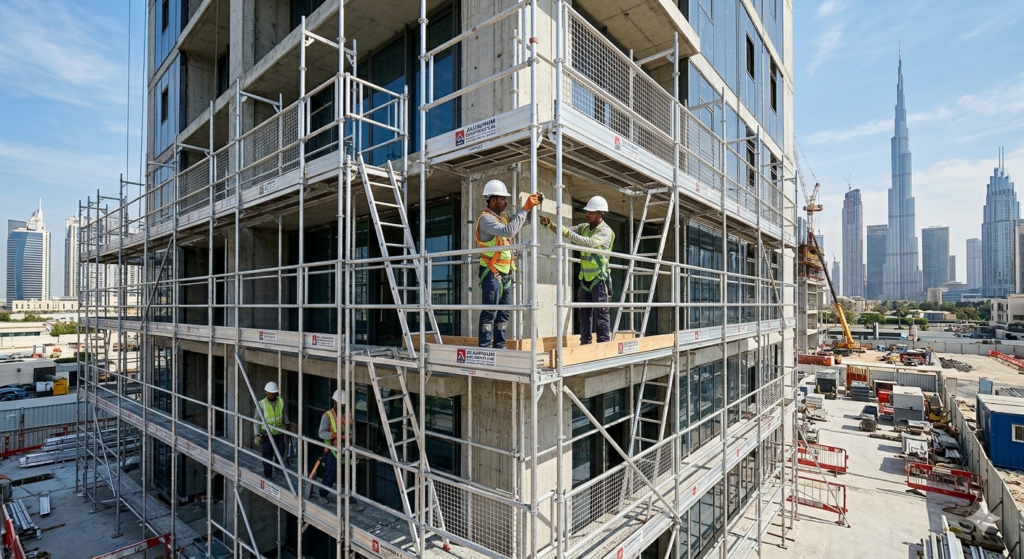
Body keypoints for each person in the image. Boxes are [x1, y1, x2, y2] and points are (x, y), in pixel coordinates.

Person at [475, 180, 544, 348]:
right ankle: (485, 347)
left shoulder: (503, 217)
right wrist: (525, 207)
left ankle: (499, 345)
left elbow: (519, 222)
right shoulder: (486, 220)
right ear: (492, 200)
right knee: (490, 312)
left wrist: (533, 207)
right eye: (503, 199)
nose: (506, 202)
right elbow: (509, 231)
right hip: (491, 272)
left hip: (506, 272)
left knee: (504, 313)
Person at [541, 196, 615, 345]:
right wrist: (551, 225)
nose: (587, 214)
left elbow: (588, 243)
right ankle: (585, 344)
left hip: (599, 278)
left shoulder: (606, 231)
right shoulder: (584, 227)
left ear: (600, 213)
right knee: (584, 314)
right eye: (587, 211)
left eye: (591, 212)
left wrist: (566, 232)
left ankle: (604, 345)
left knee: (601, 314)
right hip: (586, 278)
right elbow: (566, 231)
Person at [317, 389, 364, 510]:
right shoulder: (327, 416)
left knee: (347, 475)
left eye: (344, 405)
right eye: (341, 405)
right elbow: (321, 433)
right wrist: (337, 435)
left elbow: (350, 428)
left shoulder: (347, 415)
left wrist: (349, 433)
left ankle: (351, 501)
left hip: (345, 449)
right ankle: (322, 494)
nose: (343, 407)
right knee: (331, 474)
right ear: (335, 403)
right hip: (332, 450)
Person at [253, 381, 290, 479]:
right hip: (267, 434)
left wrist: (288, 425)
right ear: (266, 392)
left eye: (273, 393)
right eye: (269, 393)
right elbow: (256, 420)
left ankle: (278, 468)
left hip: (279, 432)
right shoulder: (261, 404)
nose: (271, 395)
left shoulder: (280, 401)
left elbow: (283, 414)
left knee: (281, 451)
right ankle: (268, 473)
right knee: (267, 453)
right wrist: (257, 434)